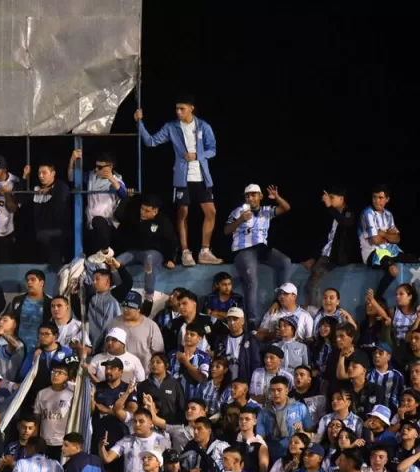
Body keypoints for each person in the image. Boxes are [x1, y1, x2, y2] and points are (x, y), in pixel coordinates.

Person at [135, 95, 221, 267]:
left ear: (191, 108)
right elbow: (151, 142)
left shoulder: (203, 126)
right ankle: (185, 252)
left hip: (202, 177)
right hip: (182, 177)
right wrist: (139, 123)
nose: (178, 112)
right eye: (176, 108)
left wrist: (197, 155)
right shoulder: (171, 127)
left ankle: (204, 251)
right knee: (183, 214)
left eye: (182, 108)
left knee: (211, 212)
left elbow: (213, 150)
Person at [223, 184, 291, 320]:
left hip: (261, 248)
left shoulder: (266, 211)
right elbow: (226, 230)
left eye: (253, 195)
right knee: (252, 281)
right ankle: (252, 320)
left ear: (260, 196)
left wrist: (277, 198)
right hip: (244, 250)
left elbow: (286, 208)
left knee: (285, 262)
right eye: (247, 195)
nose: (250, 198)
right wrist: (241, 219)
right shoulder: (238, 211)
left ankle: (279, 301)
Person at [302, 186, 359, 308]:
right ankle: (315, 311)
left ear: (341, 199)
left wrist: (329, 207)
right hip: (324, 255)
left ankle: (314, 315)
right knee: (311, 285)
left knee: (312, 285)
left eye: (332, 197)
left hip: (334, 257)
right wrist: (314, 257)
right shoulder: (329, 215)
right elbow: (323, 239)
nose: (329, 200)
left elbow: (346, 223)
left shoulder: (349, 212)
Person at [359, 184, 417, 299]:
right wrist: (388, 235)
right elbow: (375, 241)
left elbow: (397, 239)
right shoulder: (367, 213)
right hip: (373, 253)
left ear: (387, 199)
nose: (377, 201)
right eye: (374, 197)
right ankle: (375, 299)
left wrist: (382, 233)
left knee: (416, 260)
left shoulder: (388, 215)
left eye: (380, 198)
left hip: (390, 250)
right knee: (393, 270)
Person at [70, 148, 127, 254]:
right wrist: (72, 160)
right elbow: (72, 177)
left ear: (110, 167)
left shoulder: (116, 180)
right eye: (96, 166)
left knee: (98, 221)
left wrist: (112, 179)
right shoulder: (92, 176)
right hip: (90, 225)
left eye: (100, 167)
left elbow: (123, 193)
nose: (97, 169)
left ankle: (106, 253)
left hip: (106, 226)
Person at [29, 163, 71, 273]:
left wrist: (50, 191)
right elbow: (21, 197)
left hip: (57, 231)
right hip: (39, 233)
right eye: (39, 173)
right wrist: (25, 176)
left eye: (44, 173)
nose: (41, 176)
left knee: (55, 251)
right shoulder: (36, 188)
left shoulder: (60, 186)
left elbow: (63, 194)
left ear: (53, 174)